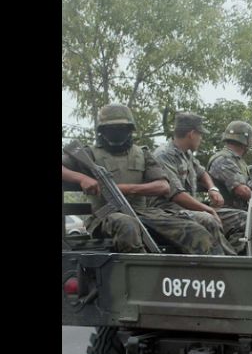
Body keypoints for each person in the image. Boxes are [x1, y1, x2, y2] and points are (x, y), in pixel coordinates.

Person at [61, 104, 221, 254]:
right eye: (112, 128)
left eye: (122, 128)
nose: (117, 131)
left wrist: (125, 189)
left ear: (130, 129)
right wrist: (81, 178)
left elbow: (163, 186)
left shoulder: (142, 154)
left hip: (144, 213)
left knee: (195, 231)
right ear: (102, 130)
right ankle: (139, 271)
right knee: (127, 225)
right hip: (105, 217)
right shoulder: (89, 154)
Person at [151, 112, 245, 255]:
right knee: (208, 219)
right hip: (168, 212)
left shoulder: (186, 154)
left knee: (243, 218)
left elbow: (202, 173)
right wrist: (208, 209)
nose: (201, 138)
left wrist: (212, 188)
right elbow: (177, 195)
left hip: (190, 210)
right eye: (200, 135)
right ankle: (230, 262)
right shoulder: (164, 155)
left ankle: (238, 255)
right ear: (192, 134)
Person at [206, 120, 252, 211]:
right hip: (224, 210)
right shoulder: (223, 160)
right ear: (247, 141)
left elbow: (247, 186)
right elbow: (243, 192)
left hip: (237, 209)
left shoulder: (236, 160)